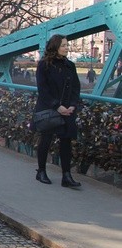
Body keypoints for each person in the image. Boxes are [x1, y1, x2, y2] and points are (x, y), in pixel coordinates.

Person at [34, 34, 82, 188]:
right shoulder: (44, 65)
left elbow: (76, 87)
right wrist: (57, 106)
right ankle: (41, 171)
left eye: (67, 45)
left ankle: (66, 176)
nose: (67, 48)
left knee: (66, 142)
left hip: (67, 109)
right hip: (49, 109)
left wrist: (72, 105)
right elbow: (43, 90)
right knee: (46, 140)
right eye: (64, 45)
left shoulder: (70, 66)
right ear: (55, 47)